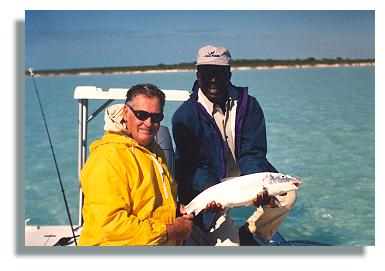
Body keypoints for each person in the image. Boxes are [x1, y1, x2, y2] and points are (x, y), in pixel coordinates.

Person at [172, 45, 296, 246]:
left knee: (287, 194)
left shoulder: (249, 105)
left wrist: (258, 187)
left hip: (241, 175)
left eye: (219, 73)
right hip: (206, 184)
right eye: (207, 73)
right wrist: (211, 190)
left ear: (228, 74)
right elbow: (195, 165)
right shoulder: (185, 115)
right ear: (198, 74)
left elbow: (253, 153)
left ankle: (251, 233)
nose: (213, 79)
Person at [79, 83, 193, 246]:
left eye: (156, 117)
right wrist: (171, 230)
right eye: (141, 114)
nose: (148, 123)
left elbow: (145, 206)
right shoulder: (107, 159)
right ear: (126, 112)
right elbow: (110, 227)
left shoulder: (154, 150)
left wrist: (173, 212)